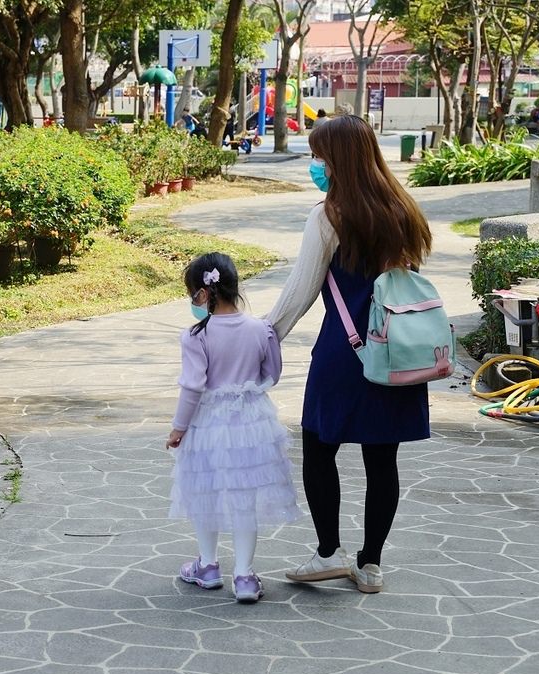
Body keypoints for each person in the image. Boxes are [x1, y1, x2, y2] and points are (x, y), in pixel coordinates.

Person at [266, 115, 433, 594]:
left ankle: (327, 553)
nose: (315, 164)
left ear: (338, 160)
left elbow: (301, 290)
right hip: (398, 349)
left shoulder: (328, 215)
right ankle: (371, 565)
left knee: (320, 447)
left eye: (319, 156)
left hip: (346, 351)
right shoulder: (403, 210)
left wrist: (266, 335)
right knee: (384, 459)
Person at [166, 252, 301, 604]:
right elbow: (272, 373)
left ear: (201, 293)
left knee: (204, 492)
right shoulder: (262, 329)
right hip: (252, 424)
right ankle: (243, 575)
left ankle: (208, 567)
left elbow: (193, 386)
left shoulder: (197, 335)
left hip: (208, 423)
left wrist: (178, 428)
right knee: (245, 498)